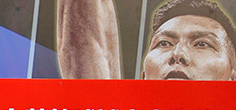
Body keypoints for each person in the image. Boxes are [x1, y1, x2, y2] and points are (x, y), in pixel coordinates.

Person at [58, 0, 236, 80]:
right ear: (144, 77)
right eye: (164, 43)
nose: (177, 54)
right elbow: (91, 40)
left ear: (232, 78)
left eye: (202, 44)